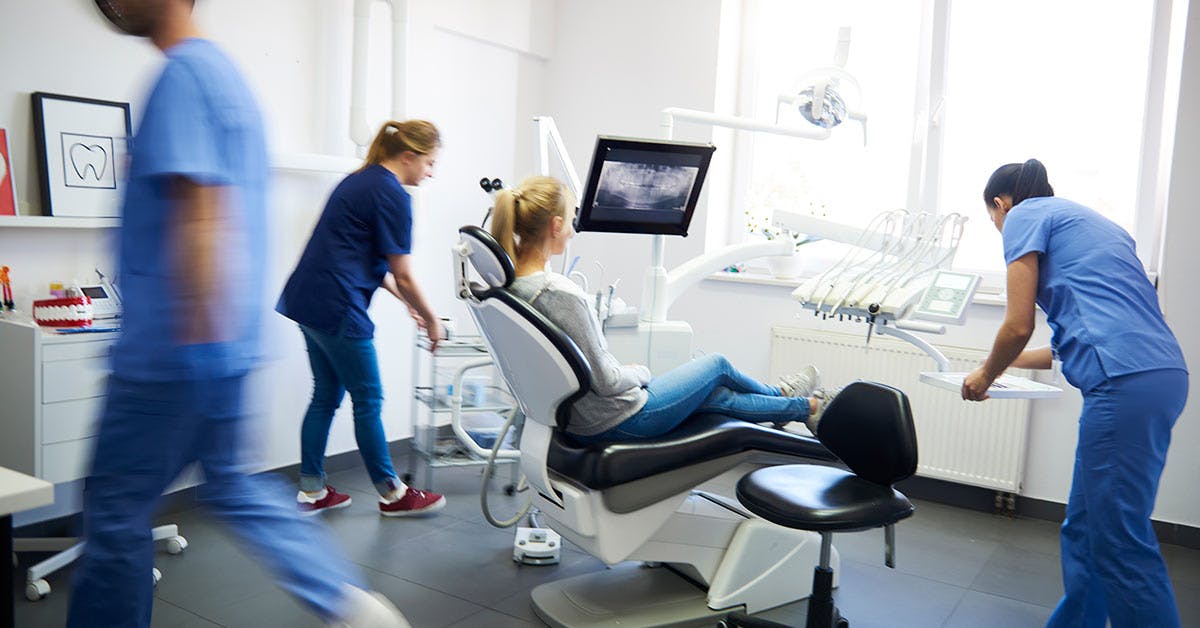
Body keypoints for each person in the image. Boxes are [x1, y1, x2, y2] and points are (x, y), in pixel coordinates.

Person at [73, 1, 409, 626]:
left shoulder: (183, 78)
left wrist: (193, 343)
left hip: (172, 352)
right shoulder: (225, 79)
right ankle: (350, 605)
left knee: (115, 509)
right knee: (233, 487)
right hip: (222, 345)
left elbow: (203, 212)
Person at [962, 159, 1188, 628]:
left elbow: (1018, 324)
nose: (1000, 230)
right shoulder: (1095, 224)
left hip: (1122, 383)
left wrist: (984, 376)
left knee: (1120, 540)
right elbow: (1065, 346)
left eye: (993, 221)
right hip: (1158, 374)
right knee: (1087, 530)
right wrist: (994, 364)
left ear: (1001, 205)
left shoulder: (1023, 216)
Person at [489, 176, 837, 443]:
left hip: (583, 415)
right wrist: (640, 372)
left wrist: (620, 372)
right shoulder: (558, 293)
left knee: (717, 395)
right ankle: (785, 396)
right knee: (716, 365)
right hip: (618, 418)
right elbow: (608, 381)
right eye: (569, 220)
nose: (572, 230)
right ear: (554, 226)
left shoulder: (513, 287)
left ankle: (805, 408)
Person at [276, 120, 446, 517]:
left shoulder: (361, 180)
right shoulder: (392, 195)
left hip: (307, 300)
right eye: (430, 163)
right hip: (337, 306)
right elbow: (402, 271)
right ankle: (392, 493)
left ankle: (312, 491)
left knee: (326, 396)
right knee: (368, 399)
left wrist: (404, 300)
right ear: (409, 157)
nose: (432, 172)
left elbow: (358, 255)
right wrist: (431, 317)